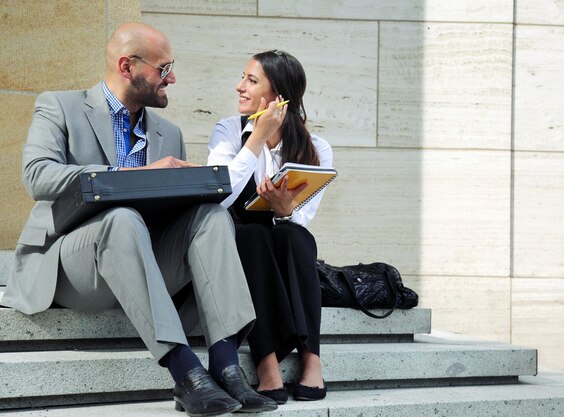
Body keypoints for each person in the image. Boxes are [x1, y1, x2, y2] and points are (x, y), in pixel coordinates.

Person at [0, 23, 277, 416]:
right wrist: (130, 176)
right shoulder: (59, 105)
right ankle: (185, 373)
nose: (173, 78)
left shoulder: (169, 132)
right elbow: (38, 175)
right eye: (164, 69)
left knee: (211, 216)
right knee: (122, 219)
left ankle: (227, 366)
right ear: (128, 66)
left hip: (144, 263)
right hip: (73, 263)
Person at [207, 50, 333, 403]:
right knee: (252, 235)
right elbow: (218, 197)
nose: (239, 87)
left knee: (296, 236)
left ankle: (311, 360)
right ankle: (267, 364)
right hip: (242, 241)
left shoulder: (316, 148)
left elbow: (304, 218)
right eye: (242, 77)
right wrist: (257, 138)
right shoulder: (229, 131)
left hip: (286, 241)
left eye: (251, 80)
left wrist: (285, 210)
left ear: (279, 95)